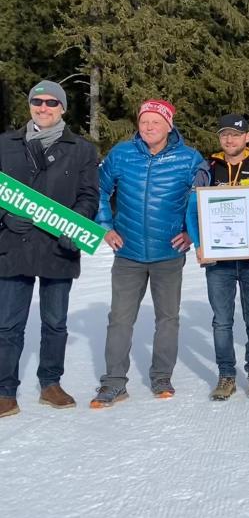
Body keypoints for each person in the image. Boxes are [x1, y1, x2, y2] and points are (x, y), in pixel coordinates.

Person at [90, 99, 203, 408]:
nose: (149, 127)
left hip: (169, 253)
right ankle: (114, 383)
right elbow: (98, 189)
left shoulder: (189, 159)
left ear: (169, 125)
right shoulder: (122, 154)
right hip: (128, 252)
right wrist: (104, 224)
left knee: (167, 318)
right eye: (144, 122)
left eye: (156, 121)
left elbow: (202, 200)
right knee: (120, 320)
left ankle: (161, 376)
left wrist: (192, 233)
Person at [0, 80, 99, 418]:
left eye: (51, 102)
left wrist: (78, 224)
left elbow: (89, 195)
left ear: (62, 108)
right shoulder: (5, 144)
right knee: (8, 324)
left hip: (59, 247)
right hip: (14, 245)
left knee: (55, 322)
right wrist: (4, 215)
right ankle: (5, 390)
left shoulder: (82, 149)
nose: (43, 107)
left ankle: (50, 383)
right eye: (37, 101)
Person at [185, 114, 249, 401]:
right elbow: (192, 211)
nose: (229, 140)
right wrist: (199, 245)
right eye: (224, 135)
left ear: (247, 137)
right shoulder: (208, 168)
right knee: (221, 321)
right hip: (219, 259)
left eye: (235, 134)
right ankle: (226, 374)